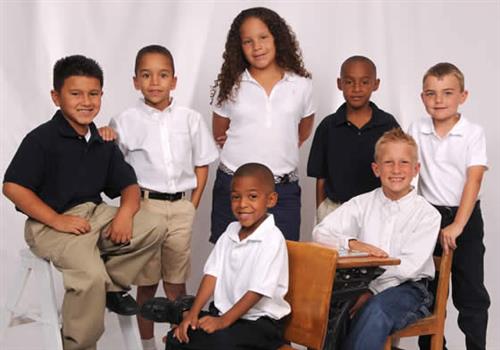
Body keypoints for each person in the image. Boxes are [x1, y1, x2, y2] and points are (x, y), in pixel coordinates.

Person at [2, 55, 166, 350]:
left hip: (94, 215)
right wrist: (56, 220)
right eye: (75, 94)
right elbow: (13, 187)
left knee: (154, 224)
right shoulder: (42, 139)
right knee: (88, 276)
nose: (86, 101)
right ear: (56, 97)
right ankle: (78, 345)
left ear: (102, 95)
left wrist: (126, 214)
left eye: (93, 94)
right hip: (49, 224)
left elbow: (129, 185)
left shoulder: (102, 140)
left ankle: (111, 287)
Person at [104, 45, 218, 350]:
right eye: (146, 75)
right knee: (147, 282)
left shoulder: (190, 119)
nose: (155, 82)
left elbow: (202, 163)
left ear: (174, 81)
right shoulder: (125, 120)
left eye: (162, 75)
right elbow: (115, 169)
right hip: (144, 208)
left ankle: (174, 341)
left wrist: (191, 206)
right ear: (135, 81)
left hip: (180, 206)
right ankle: (146, 345)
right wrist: (104, 136)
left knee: (176, 282)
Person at [313, 128, 441, 350]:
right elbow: (320, 232)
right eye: (388, 163)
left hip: (410, 290)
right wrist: (353, 243)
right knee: (327, 306)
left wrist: (371, 291)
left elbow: (408, 268)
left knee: (375, 310)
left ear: (415, 169)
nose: (396, 170)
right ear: (376, 169)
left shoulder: (427, 215)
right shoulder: (361, 204)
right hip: (360, 283)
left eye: (403, 163)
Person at [141, 163, 290, 350]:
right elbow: (212, 275)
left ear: (271, 200)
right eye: (236, 197)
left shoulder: (272, 239)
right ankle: (185, 310)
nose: (242, 204)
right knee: (177, 337)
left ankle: (180, 309)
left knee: (216, 342)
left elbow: (257, 291)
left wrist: (223, 322)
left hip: (261, 323)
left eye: (252, 196)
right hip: (224, 313)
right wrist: (193, 315)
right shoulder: (230, 231)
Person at [210, 6, 315, 242]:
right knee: (228, 257)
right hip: (234, 185)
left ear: (277, 38)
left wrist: (280, 141)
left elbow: (304, 128)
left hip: (283, 189)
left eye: (263, 37)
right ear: (239, 47)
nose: (257, 47)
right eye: (248, 41)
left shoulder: (301, 85)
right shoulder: (230, 85)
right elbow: (219, 131)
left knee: (283, 258)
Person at [409, 62, 490, 350]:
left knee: (470, 292)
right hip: (429, 216)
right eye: (431, 93)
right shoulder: (417, 128)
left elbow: (474, 180)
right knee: (429, 291)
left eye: (447, 93)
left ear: (463, 96)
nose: (439, 100)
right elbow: (411, 175)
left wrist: (458, 225)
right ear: (422, 98)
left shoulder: (472, 132)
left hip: (464, 215)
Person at [307, 55, 399, 222]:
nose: (357, 88)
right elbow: (321, 177)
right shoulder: (328, 126)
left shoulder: (387, 125)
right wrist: (321, 213)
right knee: (333, 249)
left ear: (376, 84)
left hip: (377, 211)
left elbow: (397, 169)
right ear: (339, 83)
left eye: (364, 82)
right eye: (349, 82)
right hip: (335, 210)